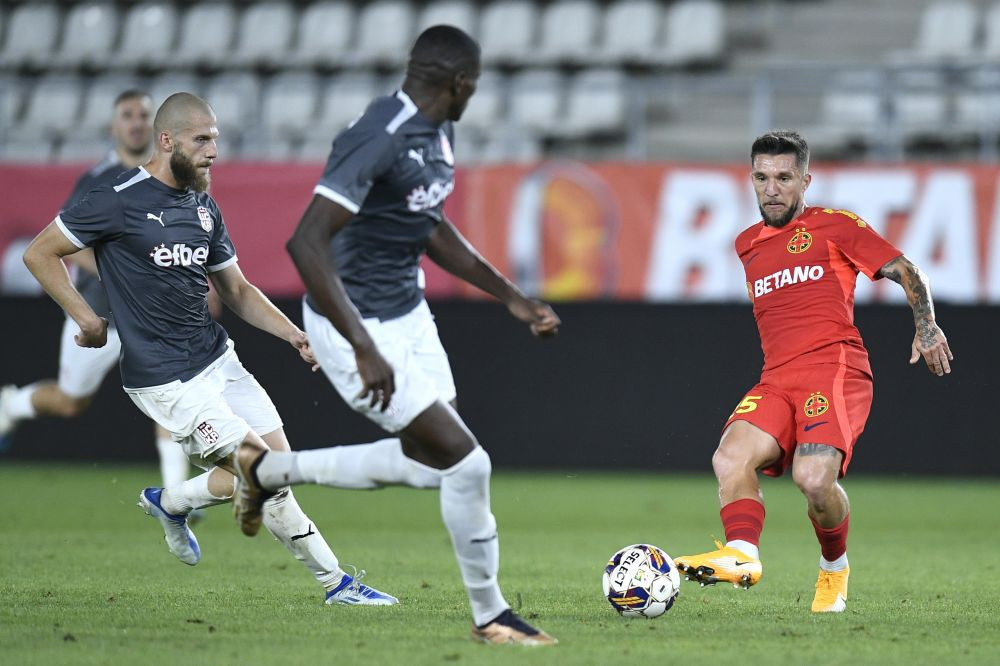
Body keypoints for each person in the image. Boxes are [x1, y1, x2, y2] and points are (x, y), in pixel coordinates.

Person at [229, 26, 562, 645]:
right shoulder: (379, 134)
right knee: (468, 462)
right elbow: (305, 242)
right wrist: (363, 346)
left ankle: (267, 471)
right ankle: (491, 616)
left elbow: (429, 227)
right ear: (459, 83)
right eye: (474, 85)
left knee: (435, 462)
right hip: (353, 323)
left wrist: (511, 297)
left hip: (407, 313)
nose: (474, 94)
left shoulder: (439, 132)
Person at [21, 92, 396, 606]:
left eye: (216, 139)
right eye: (201, 140)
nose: (213, 151)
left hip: (217, 359)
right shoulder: (116, 198)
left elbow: (236, 289)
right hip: (165, 378)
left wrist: (294, 335)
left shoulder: (202, 205)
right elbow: (39, 253)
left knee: (274, 466)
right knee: (264, 472)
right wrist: (86, 317)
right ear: (167, 140)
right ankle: (338, 584)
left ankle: (172, 501)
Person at [673, 130, 953, 613]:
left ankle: (834, 569)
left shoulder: (835, 226)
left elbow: (909, 270)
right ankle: (742, 554)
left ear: (805, 181)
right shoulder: (747, 244)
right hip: (777, 378)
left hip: (834, 367)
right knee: (730, 456)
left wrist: (926, 327)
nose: (772, 189)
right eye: (762, 178)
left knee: (814, 480)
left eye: (784, 178)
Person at [0, 90, 193, 495]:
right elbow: (67, 245)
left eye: (143, 114)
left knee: (170, 394)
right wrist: (121, 270)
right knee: (70, 400)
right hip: (98, 310)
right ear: (113, 126)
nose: (137, 122)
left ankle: (176, 497)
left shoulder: (169, 176)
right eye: (128, 115)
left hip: (151, 313)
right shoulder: (97, 181)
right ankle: (12, 405)